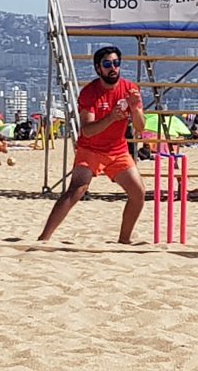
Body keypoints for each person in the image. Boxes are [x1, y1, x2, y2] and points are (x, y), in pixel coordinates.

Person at [38, 46, 145, 243]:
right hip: (91, 149)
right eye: (107, 64)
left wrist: (135, 108)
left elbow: (140, 128)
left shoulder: (130, 89)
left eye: (116, 63)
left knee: (138, 193)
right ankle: (44, 237)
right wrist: (112, 117)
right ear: (98, 69)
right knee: (77, 189)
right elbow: (87, 129)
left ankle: (124, 240)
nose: (113, 68)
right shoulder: (90, 92)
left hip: (117, 149)